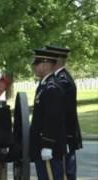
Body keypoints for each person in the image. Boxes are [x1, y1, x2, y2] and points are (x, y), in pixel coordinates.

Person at [29, 49, 67, 180]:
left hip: (50, 147)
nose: (34, 66)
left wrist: (47, 145)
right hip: (42, 145)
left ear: (45, 65)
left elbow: (52, 118)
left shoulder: (52, 88)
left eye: (37, 63)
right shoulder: (44, 85)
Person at [46, 45, 83, 180]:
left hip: (65, 134)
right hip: (63, 133)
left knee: (64, 172)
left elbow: (63, 112)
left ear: (55, 60)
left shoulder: (62, 80)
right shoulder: (59, 78)